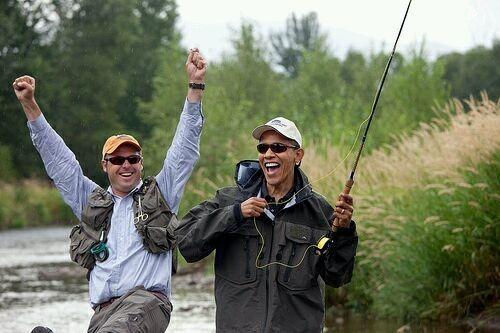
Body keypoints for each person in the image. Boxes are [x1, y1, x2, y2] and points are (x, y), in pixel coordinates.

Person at [13, 48, 207, 333]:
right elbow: (59, 162)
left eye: (133, 159)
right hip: (103, 313)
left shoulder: (162, 195)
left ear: (141, 163)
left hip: (148, 304)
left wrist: (195, 87)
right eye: (117, 160)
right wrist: (30, 104)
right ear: (105, 165)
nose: (126, 165)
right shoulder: (90, 201)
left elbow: (184, 151)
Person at [176, 117, 358, 332]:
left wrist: (345, 232)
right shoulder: (229, 201)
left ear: (298, 155)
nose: (269, 154)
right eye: (263, 148)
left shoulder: (320, 212)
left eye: (278, 147)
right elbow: (186, 243)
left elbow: (337, 277)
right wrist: (235, 214)